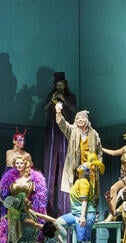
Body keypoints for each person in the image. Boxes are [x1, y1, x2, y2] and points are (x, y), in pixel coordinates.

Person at [0, 154, 47, 243]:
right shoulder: (10, 178)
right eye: (16, 163)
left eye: (21, 163)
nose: (19, 165)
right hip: (14, 213)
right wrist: (8, 203)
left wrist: (37, 209)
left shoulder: (34, 178)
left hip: (28, 211)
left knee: (27, 236)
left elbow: (39, 197)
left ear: (26, 164)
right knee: (14, 235)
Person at [56, 154, 105, 243]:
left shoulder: (83, 182)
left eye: (83, 166)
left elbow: (84, 201)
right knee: (59, 222)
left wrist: (83, 217)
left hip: (85, 214)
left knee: (85, 241)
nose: (80, 166)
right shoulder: (78, 181)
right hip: (75, 213)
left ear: (86, 171)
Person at [43, 72, 77, 216]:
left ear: (65, 84)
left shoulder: (70, 96)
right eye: (57, 85)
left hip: (65, 129)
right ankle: (48, 211)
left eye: (61, 84)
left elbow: (74, 109)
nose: (59, 87)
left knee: (65, 169)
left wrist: (64, 100)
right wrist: (52, 101)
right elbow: (43, 109)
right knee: (50, 169)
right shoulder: (52, 95)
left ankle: (64, 210)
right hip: (52, 129)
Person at [56, 104, 103, 196]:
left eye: (82, 118)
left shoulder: (94, 134)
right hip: (76, 168)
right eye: (77, 119)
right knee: (76, 191)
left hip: (90, 168)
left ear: (87, 120)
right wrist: (58, 112)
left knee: (90, 191)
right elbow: (63, 124)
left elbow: (100, 151)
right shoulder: (72, 131)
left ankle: (90, 209)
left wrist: (98, 164)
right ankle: (78, 209)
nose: (80, 120)